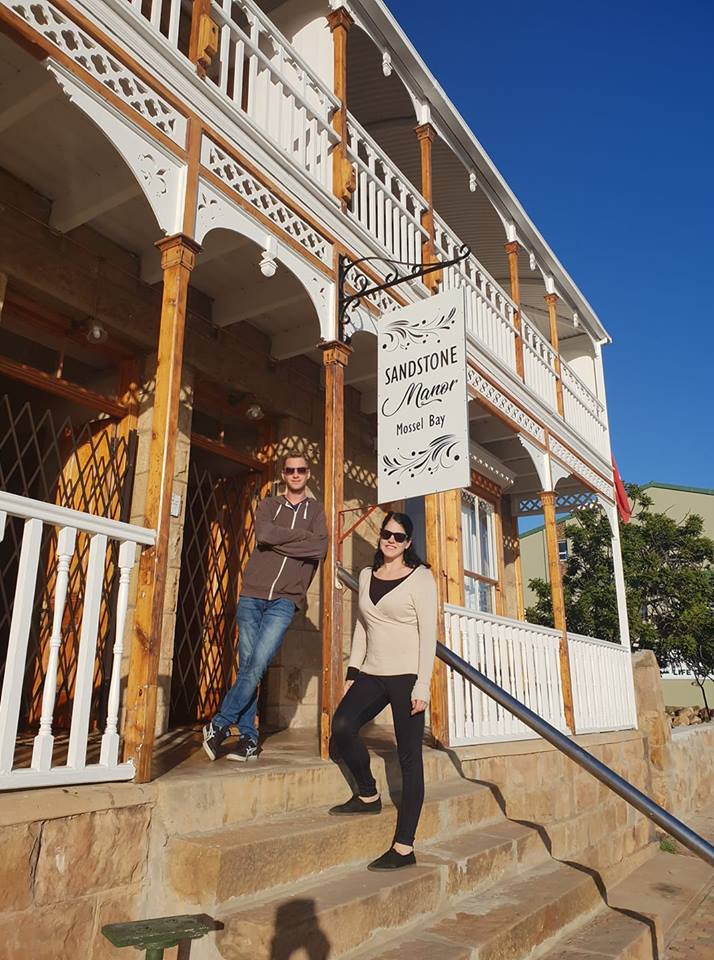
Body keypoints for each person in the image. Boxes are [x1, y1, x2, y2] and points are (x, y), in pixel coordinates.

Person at [329, 511, 437, 871]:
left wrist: (423, 685)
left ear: (408, 543)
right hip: (372, 673)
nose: (391, 541)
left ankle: (404, 846)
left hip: (407, 677)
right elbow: (364, 626)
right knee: (342, 725)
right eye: (386, 534)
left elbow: (428, 635)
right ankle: (368, 793)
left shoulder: (421, 578)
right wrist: (353, 670)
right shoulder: (365, 575)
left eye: (399, 537)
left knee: (409, 758)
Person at [203, 453, 327, 761]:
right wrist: (301, 538)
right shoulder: (269, 506)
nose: (295, 474)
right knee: (250, 666)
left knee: (257, 663)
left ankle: (220, 723)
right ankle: (248, 739)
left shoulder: (316, 510)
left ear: (308, 474)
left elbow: (319, 547)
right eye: (290, 470)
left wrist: (282, 542)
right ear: (283, 474)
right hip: (252, 596)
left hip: (285, 600)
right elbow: (265, 534)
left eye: (301, 470)